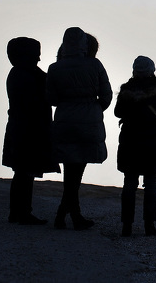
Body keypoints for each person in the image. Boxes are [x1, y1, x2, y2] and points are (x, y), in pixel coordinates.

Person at [45, 27, 112, 230]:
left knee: (70, 172)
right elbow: (107, 96)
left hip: (65, 121)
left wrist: (68, 104)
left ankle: (69, 215)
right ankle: (68, 215)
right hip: (88, 121)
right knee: (76, 173)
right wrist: (94, 108)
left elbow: (51, 98)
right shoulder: (95, 65)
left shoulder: (55, 68)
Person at [2, 37, 59, 225]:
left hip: (22, 128)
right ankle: (22, 212)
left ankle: (18, 212)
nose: (39, 59)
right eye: (36, 55)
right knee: (24, 172)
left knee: (22, 171)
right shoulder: (29, 75)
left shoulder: (20, 73)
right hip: (29, 130)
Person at [114, 56, 156, 237]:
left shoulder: (126, 90)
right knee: (151, 182)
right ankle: (149, 225)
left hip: (130, 141)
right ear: (152, 70)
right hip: (152, 142)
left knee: (129, 182)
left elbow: (118, 113)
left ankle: (127, 225)